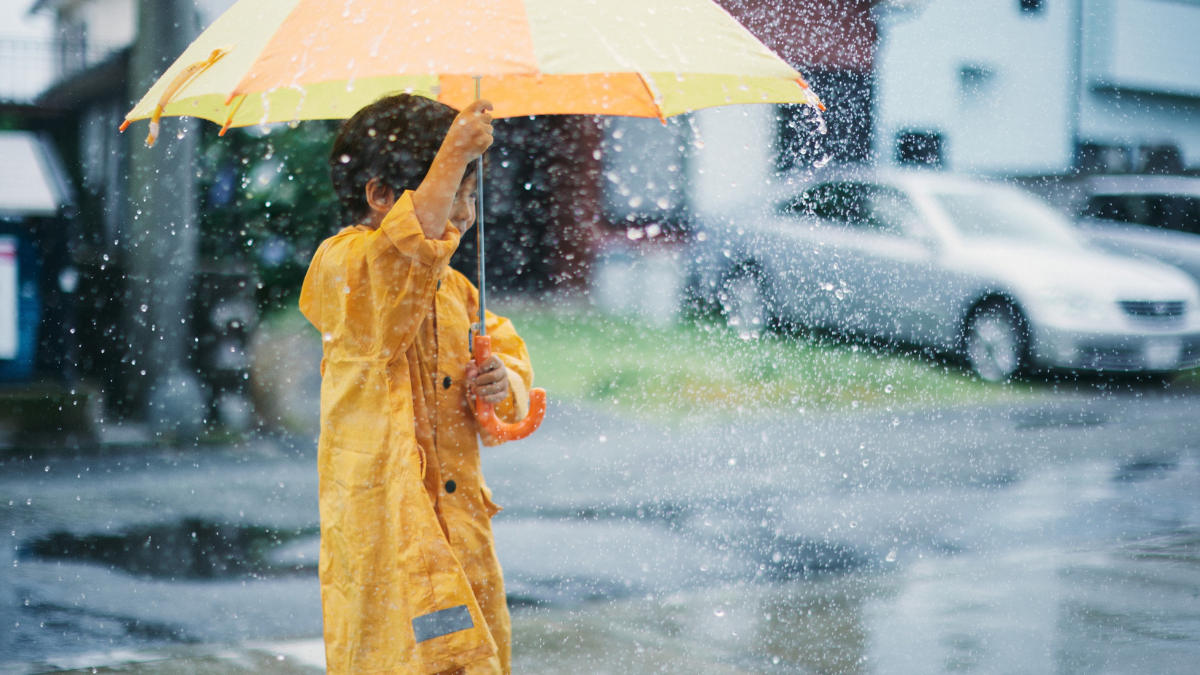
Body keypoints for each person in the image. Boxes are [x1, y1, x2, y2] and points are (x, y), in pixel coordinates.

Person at [299, 93, 534, 675]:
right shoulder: (343, 264)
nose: (466, 214)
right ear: (380, 195)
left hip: (457, 523)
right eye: (454, 192)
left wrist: (501, 381)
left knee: (469, 649)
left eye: (472, 195)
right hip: (388, 524)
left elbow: (505, 351)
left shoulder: (454, 288)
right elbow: (398, 262)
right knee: (403, 652)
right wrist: (454, 151)